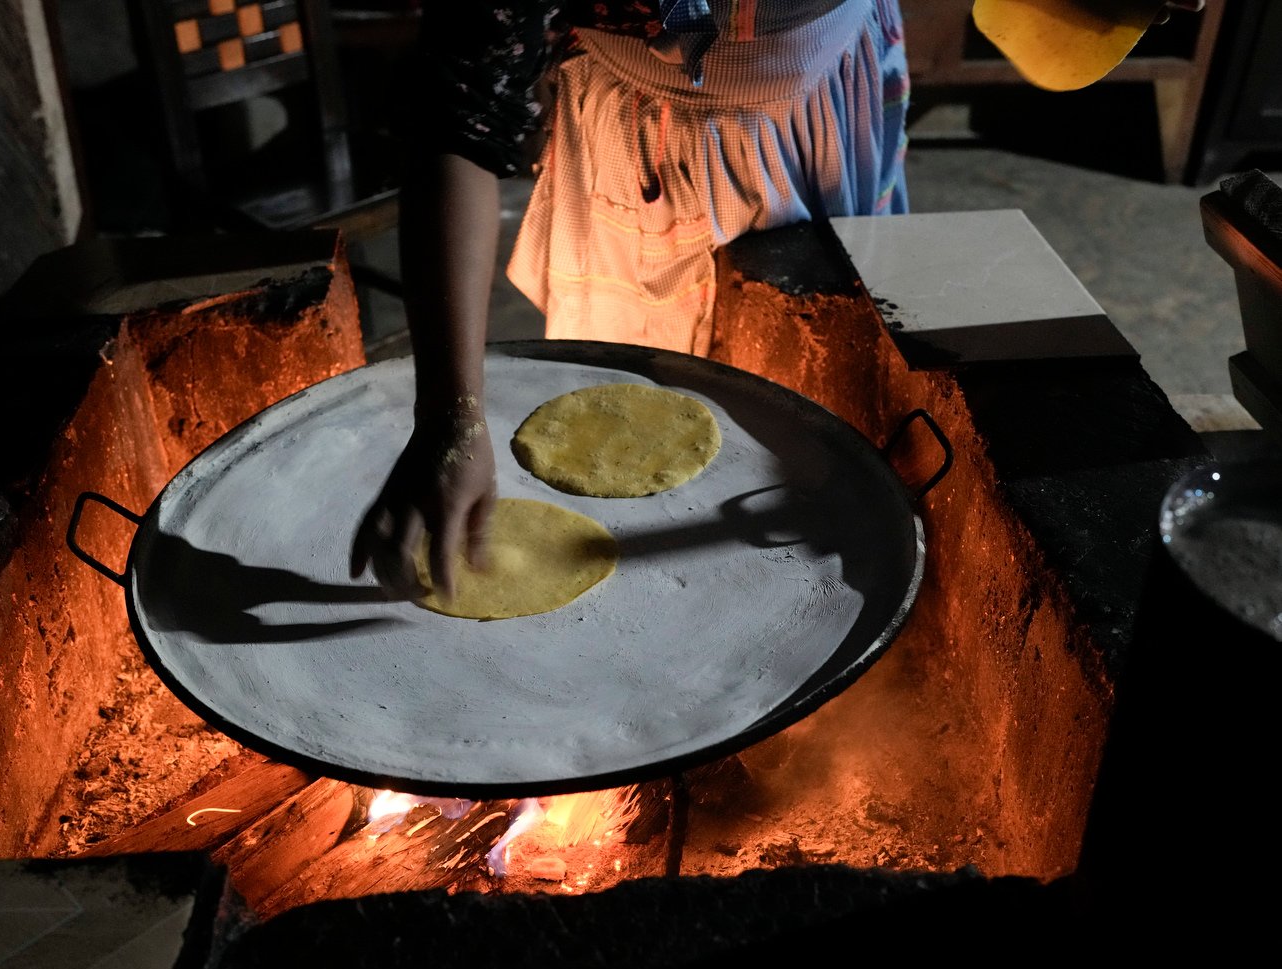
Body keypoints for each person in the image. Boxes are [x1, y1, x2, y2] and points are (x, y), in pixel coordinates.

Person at [349, 0, 1205, 601]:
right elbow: (456, 124)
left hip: (834, 88)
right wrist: (451, 418)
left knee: (825, 412)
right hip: (653, 145)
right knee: (632, 443)